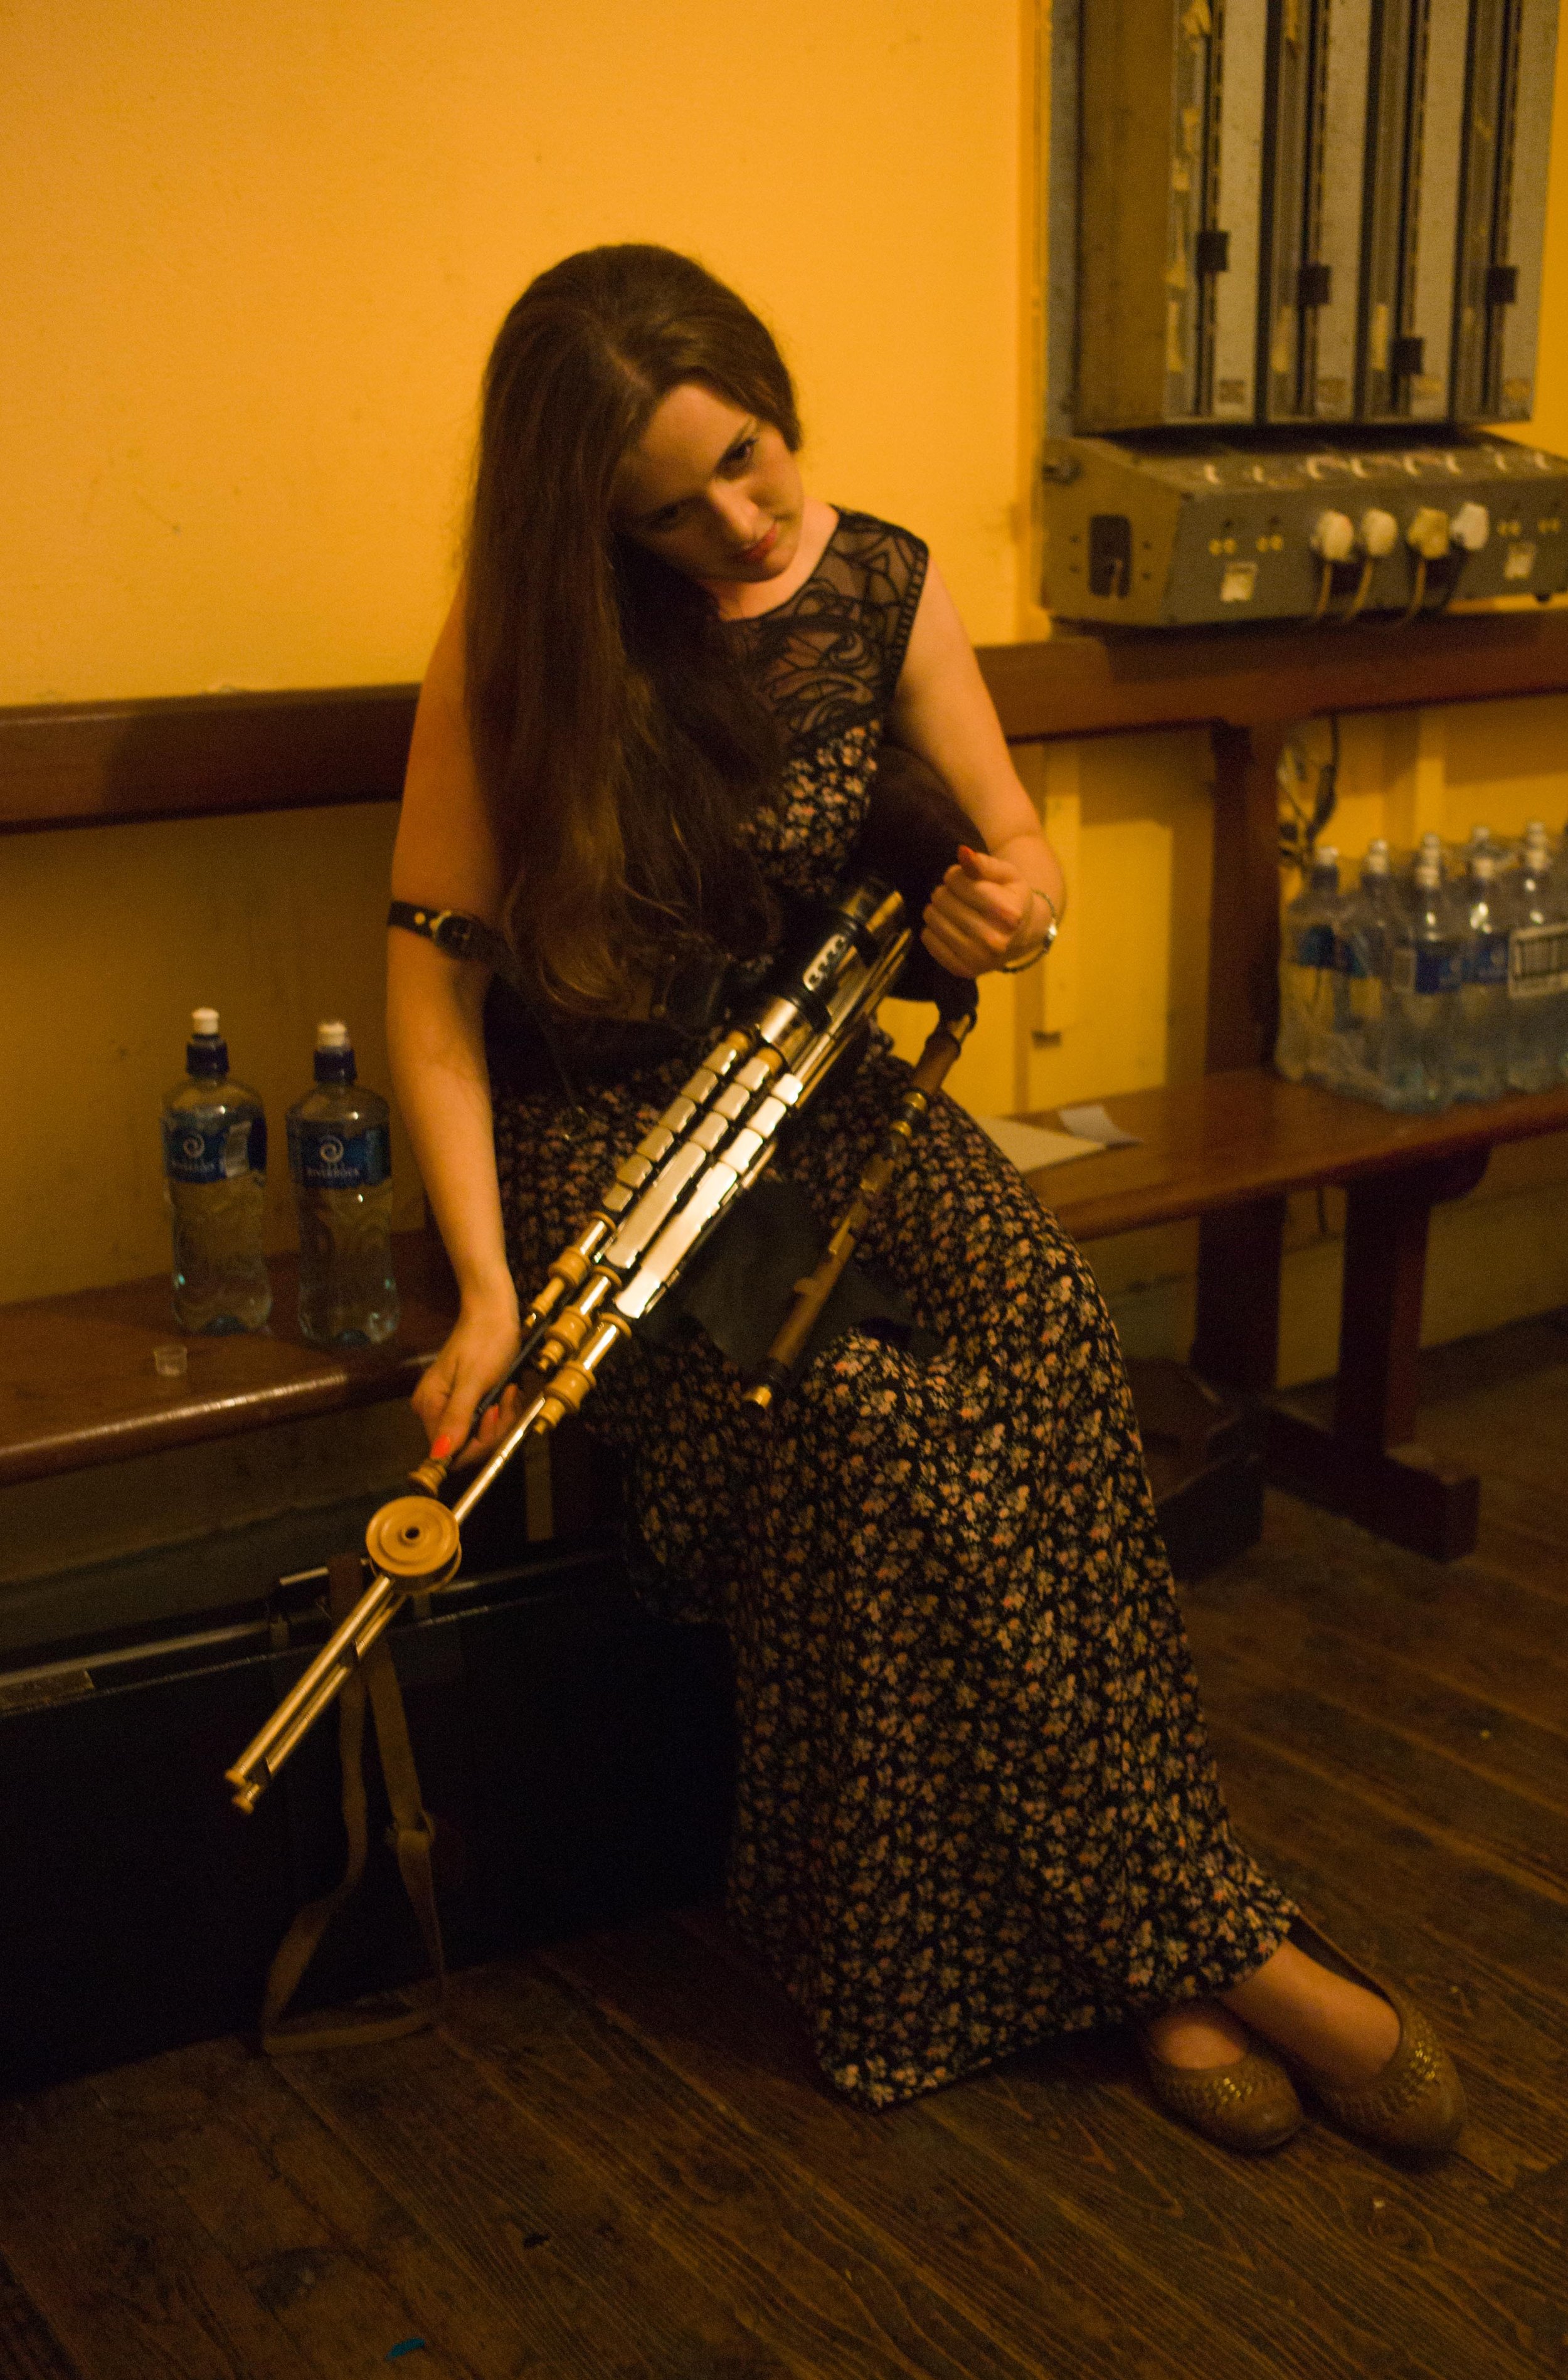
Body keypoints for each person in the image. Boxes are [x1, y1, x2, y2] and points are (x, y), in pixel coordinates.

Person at [388, 243, 1463, 2155]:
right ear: (594, 522)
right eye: (672, 509)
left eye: (747, 455)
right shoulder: (522, 643)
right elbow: (432, 986)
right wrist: (484, 1288)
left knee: (1050, 1347)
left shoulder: (878, 578)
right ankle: (1216, 1948)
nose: (739, 521)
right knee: (879, 1433)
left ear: (770, 393)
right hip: (619, 1148)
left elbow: (1014, 842)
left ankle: (1137, 1955)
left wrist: (1013, 904)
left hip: (825, 1086)